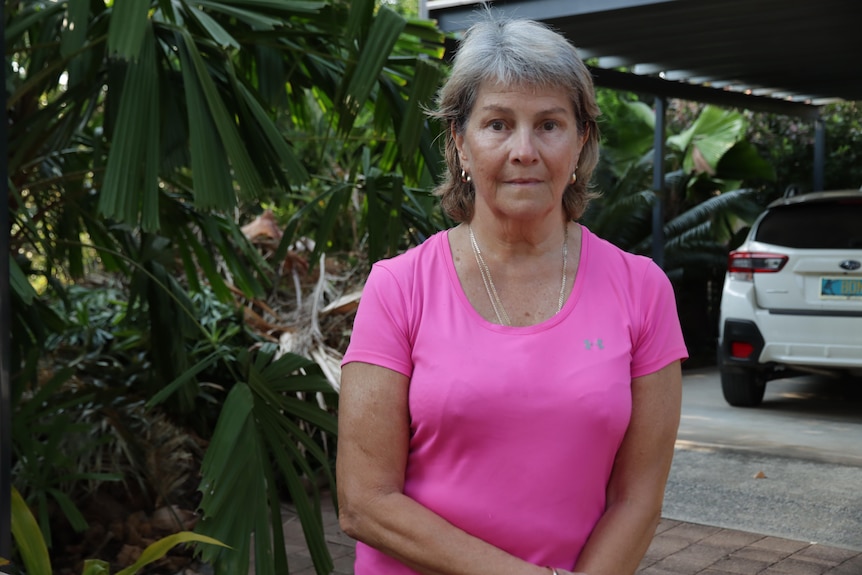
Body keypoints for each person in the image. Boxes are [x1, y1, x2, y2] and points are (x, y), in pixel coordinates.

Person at [336, 13, 687, 575]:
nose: (524, 150)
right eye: (498, 124)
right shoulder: (399, 287)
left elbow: (637, 498)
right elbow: (364, 502)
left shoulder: (641, 289)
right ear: (460, 142)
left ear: (580, 143)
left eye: (549, 124)